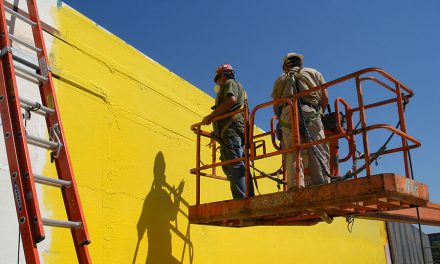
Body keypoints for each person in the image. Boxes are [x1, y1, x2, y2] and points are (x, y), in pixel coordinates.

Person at [271, 53, 330, 189]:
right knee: (317, 147)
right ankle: (322, 185)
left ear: (285, 66)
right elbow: (325, 96)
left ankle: (295, 187)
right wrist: (320, 113)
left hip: (287, 113)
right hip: (310, 110)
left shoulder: (280, 79)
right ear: (300, 63)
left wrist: (282, 120)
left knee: (292, 151)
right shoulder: (313, 72)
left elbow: (275, 106)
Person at [201, 64, 254, 199]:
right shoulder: (239, 87)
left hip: (230, 131)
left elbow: (231, 100)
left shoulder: (229, 84)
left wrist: (211, 116)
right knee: (236, 165)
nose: (218, 83)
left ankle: (242, 199)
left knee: (234, 165)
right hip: (234, 131)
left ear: (222, 76)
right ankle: (248, 196)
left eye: (218, 79)